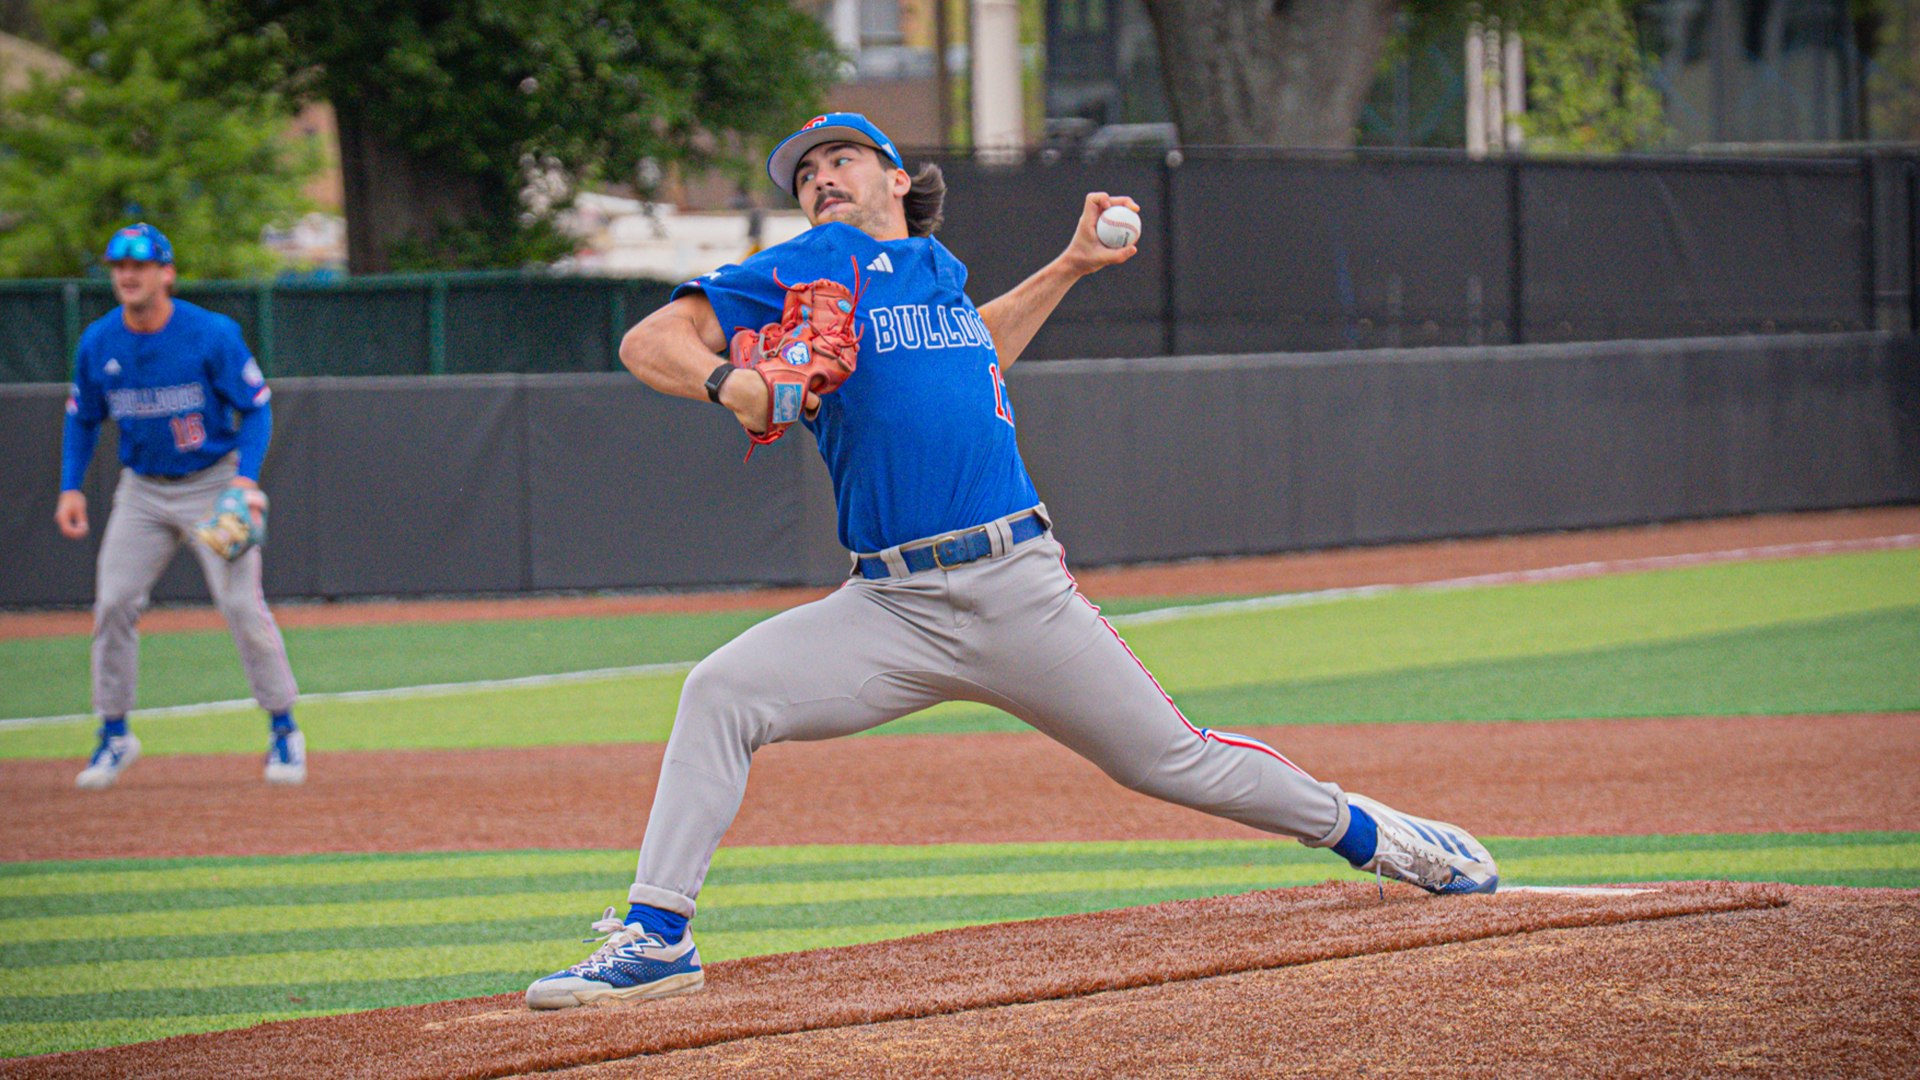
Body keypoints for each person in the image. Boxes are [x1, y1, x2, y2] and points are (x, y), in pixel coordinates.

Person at [525, 114, 1497, 1010]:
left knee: (1175, 761)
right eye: (805, 172)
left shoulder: (938, 273)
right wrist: (730, 379)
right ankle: (656, 934)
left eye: (841, 158)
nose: (821, 178)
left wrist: (1070, 266)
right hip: (888, 608)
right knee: (720, 691)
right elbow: (650, 338)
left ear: (897, 178)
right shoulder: (812, 265)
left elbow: (975, 349)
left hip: (1017, 586)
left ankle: (1384, 839)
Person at [55, 223, 305, 790]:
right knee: (114, 602)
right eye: (118, 266)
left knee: (242, 606)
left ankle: (284, 727)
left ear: (166, 273)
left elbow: (257, 409)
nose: (127, 275)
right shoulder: (99, 341)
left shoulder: (210, 333)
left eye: (139, 265)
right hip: (142, 490)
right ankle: (115, 735)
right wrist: (71, 486)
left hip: (212, 484)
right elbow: (82, 417)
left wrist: (244, 482)